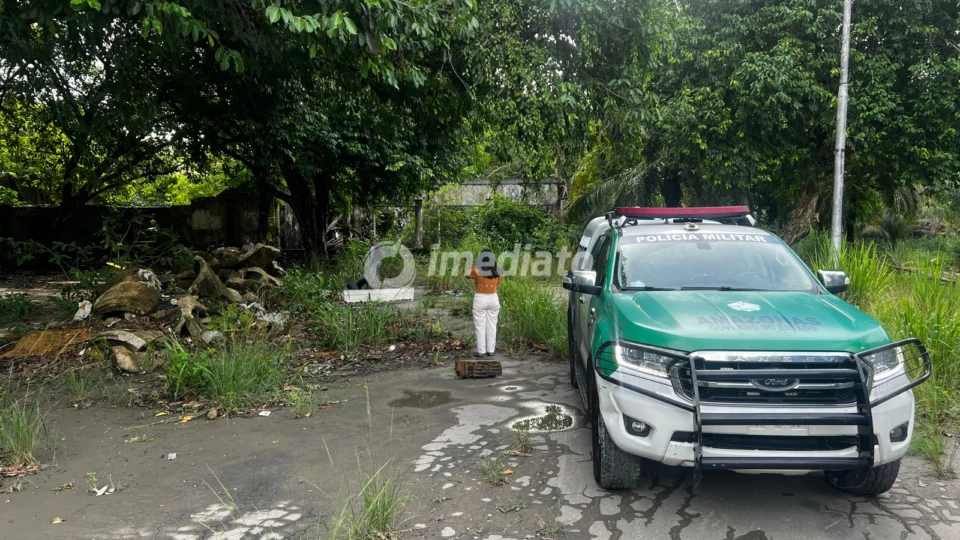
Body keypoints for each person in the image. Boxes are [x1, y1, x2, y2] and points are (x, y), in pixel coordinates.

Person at [469, 250, 501, 357]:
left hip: (480, 299)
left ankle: (481, 351)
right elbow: (498, 284)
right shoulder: (498, 271)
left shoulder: (476, 270)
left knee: (480, 326)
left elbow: (467, 275)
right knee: (492, 326)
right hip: (493, 298)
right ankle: (491, 350)